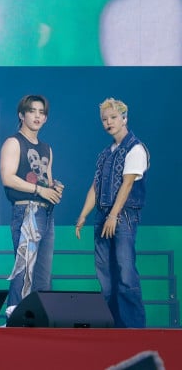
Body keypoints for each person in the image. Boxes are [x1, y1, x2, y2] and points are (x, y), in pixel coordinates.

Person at [75, 98, 149, 328]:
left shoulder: (135, 148)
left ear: (124, 118)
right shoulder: (105, 153)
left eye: (113, 117)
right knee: (105, 276)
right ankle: (113, 328)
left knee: (125, 273)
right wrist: (83, 215)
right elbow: (95, 187)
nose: (108, 122)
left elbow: (127, 184)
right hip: (102, 216)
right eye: (104, 119)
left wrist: (113, 215)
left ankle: (134, 329)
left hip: (123, 216)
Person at [0, 94, 62, 315]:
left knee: (43, 274)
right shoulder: (14, 142)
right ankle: (14, 318)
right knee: (25, 269)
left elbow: (47, 180)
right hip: (27, 210)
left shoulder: (47, 148)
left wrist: (54, 188)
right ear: (22, 114)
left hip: (46, 212)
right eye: (32, 111)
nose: (37, 116)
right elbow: (8, 178)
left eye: (41, 112)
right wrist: (39, 189)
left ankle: (39, 321)